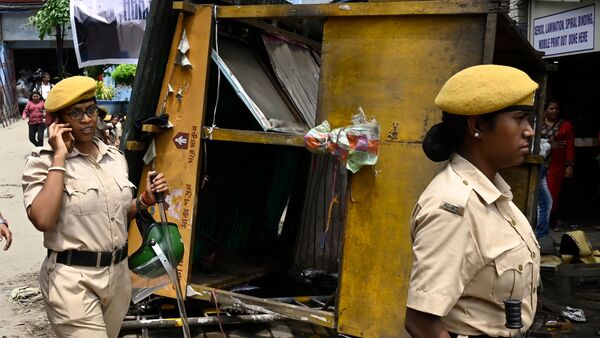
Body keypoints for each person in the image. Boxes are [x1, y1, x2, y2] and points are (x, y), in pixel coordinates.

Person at [21, 76, 169, 338]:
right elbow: (42, 219)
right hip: (73, 282)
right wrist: (59, 157)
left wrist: (145, 199)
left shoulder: (114, 158)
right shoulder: (42, 162)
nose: (87, 119)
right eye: (76, 113)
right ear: (58, 121)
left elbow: (118, 214)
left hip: (117, 278)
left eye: (90, 109)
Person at [405, 65, 541, 338]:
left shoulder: (496, 195)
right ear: (477, 125)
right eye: (519, 119)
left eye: (529, 121)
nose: (529, 131)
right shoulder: (454, 207)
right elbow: (421, 323)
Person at [540, 100, 574, 229]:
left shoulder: (565, 125)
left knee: (553, 191)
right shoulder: (539, 123)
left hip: (556, 164)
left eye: (557, 109)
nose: (555, 111)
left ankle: (551, 220)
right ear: (545, 111)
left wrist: (570, 165)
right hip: (540, 161)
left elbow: (570, 146)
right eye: (552, 109)